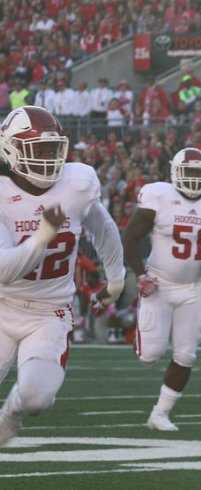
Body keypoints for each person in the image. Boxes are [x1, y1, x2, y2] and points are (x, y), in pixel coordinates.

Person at [0, 106, 125, 446]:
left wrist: (116, 278)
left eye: (52, 150)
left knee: (37, 398)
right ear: (10, 149)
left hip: (50, 311)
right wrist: (43, 236)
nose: (48, 158)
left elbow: (104, 227)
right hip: (3, 303)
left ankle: (10, 414)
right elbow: (4, 270)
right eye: (37, 150)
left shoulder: (77, 183)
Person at [122, 147, 201, 431]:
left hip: (195, 287)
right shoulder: (159, 196)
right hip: (158, 284)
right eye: (189, 172)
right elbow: (130, 236)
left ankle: (160, 413)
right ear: (175, 173)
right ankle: (136, 330)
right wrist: (140, 274)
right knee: (149, 356)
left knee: (186, 355)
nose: (195, 179)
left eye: (199, 173)